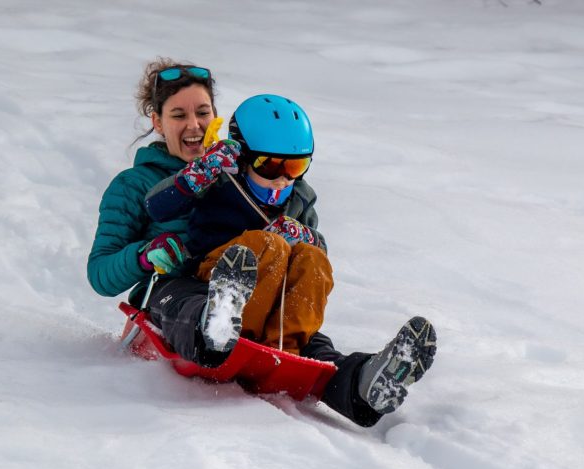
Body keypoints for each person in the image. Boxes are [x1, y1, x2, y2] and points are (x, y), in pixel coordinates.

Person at [87, 58, 436, 427]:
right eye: (178, 115)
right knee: (194, 304)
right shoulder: (135, 185)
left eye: (202, 112)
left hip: (257, 299)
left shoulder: (255, 171)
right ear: (157, 121)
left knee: (311, 346)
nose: (193, 125)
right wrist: (144, 257)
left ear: (216, 118)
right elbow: (100, 274)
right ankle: (214, 325)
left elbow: (309, 253)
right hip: (175, 294)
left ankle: (363, 383)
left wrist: (305, 236)